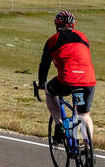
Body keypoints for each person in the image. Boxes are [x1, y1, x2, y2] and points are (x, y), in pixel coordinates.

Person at [36, 9, 96, 143]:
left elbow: (44, 65)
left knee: (49, 92)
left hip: (67, 80)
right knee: (84, 114)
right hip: (88, 80)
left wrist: (42, 83)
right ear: (73, 25)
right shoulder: (83, 36)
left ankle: (59, 125)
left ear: (56, 25)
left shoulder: (52, 40)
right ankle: (88, 149)